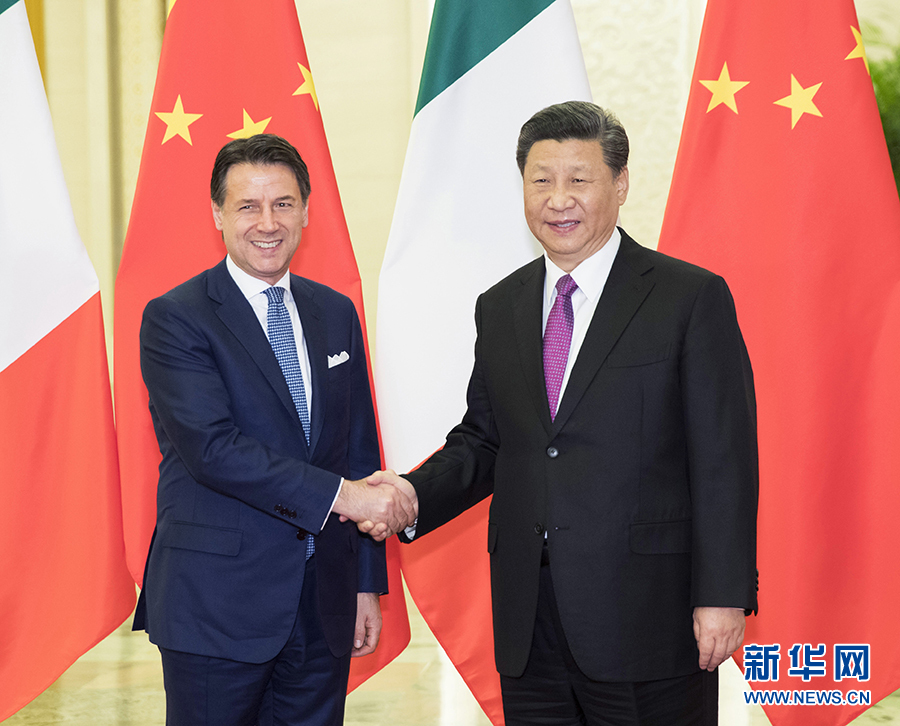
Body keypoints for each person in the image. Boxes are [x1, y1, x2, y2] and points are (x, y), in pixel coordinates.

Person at [369, 101, 758, 725]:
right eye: (541, 180)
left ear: (620, 183)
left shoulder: (688, 297)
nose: (558, 199)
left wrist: (722, 595)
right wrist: (410, 496)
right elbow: (486, 441)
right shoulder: (501, 306)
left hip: (648, 617)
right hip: (530, 621)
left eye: (579, 179)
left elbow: (723, 459)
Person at [133, 133, 415, 726]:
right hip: (217, 605)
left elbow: (357, 447)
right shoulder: (175, 318)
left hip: (323, 603)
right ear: (218, 215)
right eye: (248, 206)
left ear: (306, 211)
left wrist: (365, 583)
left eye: (283, 204)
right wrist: (348, 498)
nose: (268, 223)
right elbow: (213, 450)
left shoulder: (335, 311)